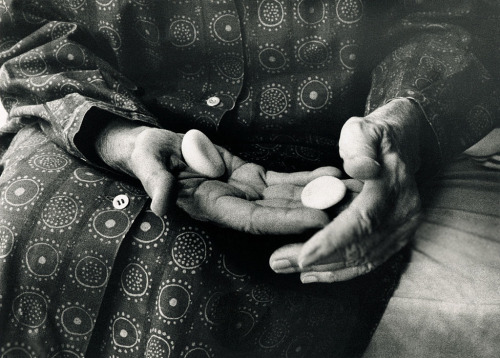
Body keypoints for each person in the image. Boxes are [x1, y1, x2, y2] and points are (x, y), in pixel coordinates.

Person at [0, 0, 498, 357]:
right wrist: (118, 138)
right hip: (98, 117)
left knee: (209, 298)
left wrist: (400, 129)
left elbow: (448, 22)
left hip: (313, 155)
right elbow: (23, 29)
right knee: (18, 249)